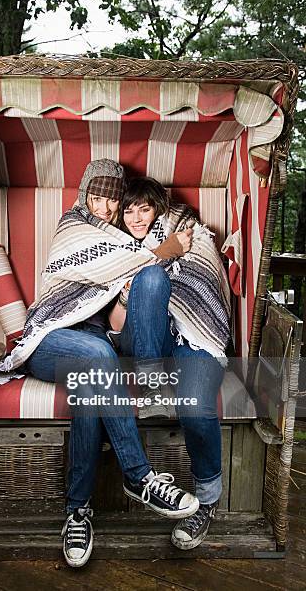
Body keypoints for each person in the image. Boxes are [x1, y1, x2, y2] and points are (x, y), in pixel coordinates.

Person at [22, 160, 198, 568]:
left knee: (91, 385)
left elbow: (150, 250)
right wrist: (161, 251)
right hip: (49, 339)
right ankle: (140, 477)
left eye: (111, 200)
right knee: (99, 356)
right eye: (96, 198)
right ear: (85, 196)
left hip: (92, 347)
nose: (103, 208)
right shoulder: (74, 226)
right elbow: (106, 264)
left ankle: (77, 512)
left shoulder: (123, 238)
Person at [110, 176, 229, 551]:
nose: (136, 218)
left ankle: (206, 501)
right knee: (148, 277)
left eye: (143, 209)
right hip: (146, 342)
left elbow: (205, 278)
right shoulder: (116, 250)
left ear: (158, 209)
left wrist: (165, 256)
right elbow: (114, 325)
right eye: (128, 211)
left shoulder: (189, 234)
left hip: (194, 335)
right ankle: (152, 386)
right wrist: (131, 294)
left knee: (195, 407)